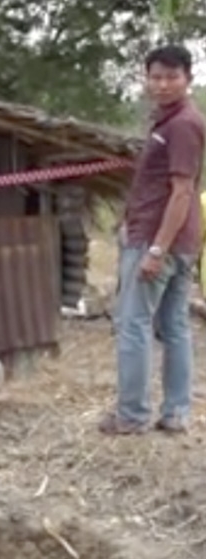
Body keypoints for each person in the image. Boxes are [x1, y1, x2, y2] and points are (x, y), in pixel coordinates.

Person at [102, 44, 204, 435]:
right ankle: (176, 413)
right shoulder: (169, 121)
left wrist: (157, 249)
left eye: (171, 77)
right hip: (180, 240)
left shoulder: (183, 125)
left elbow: (182, 191)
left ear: (188, 78)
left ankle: (132, 415)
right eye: (155, 77)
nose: (162, 85)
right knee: (174, 325)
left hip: (158, 240)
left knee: (134, 324)